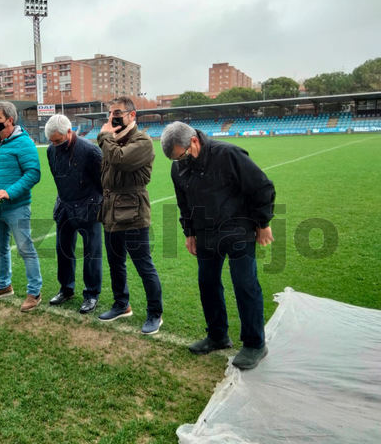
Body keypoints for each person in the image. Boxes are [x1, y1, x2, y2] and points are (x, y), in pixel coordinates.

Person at [161, 121, 275, 370]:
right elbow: (184, 203)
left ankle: (255, 344)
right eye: (174, 159)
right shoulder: (178, 167)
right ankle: (217, 335)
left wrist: (263, 223)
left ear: (193, 142)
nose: (179, 162)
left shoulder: (229, 154)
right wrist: (189, 232)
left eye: (181, 156)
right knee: (208, 283)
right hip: (205, 233)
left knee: (245, 284)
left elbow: (261, 187)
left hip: (237, 229)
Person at [97, 96, 163, 335]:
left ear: (132, 115)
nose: (112, 117)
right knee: (115, 263)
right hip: (110, 210)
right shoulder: (113, 141)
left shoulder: (142, 141)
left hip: (133, 212)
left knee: (143, 265)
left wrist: (104, 137)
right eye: (110, 113)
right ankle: (121, 304)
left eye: (117, 112)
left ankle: (155, 313)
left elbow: (120, 159)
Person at [0, 101, 43, 312]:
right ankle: (4, 285)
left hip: (17, 207)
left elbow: (33, 173)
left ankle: (35, 292)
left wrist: (9, 192)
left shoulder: (24, 143)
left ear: (10, 120)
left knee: (26, 249)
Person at [44, 114, 103, 314]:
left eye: (58, 140)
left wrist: (94, 206)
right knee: (63, 250)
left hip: (89, 207)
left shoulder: (91, 151)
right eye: (51, 141)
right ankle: (66, 288)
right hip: (64, 207)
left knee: (91, 253)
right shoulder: (51, 151)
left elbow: (102, 184)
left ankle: (92, 294)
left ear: (69, 132)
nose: (55, 145)